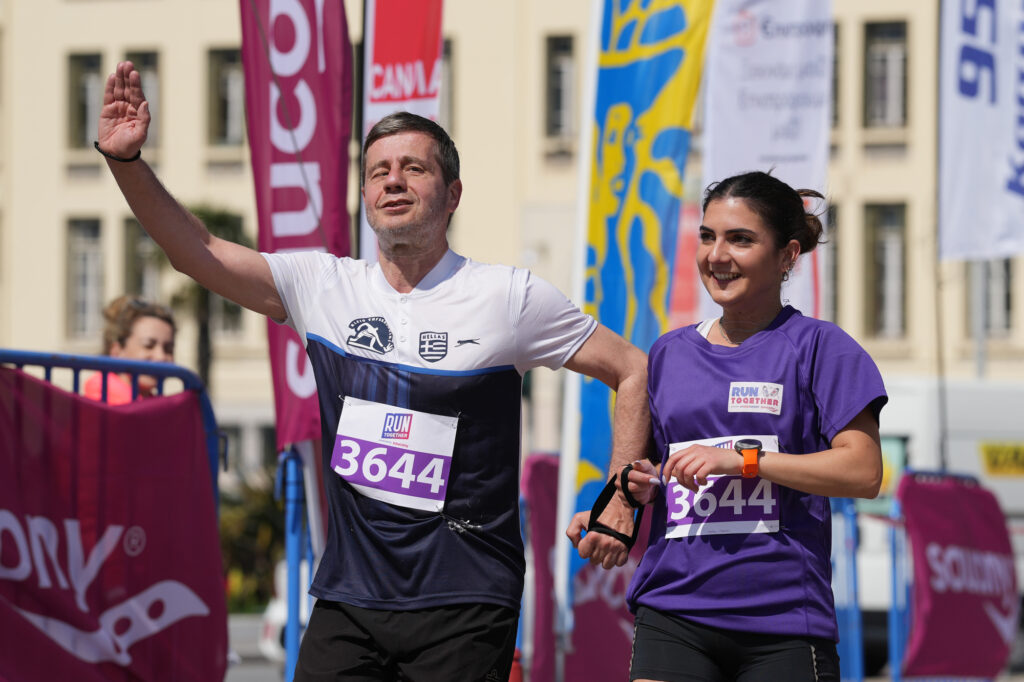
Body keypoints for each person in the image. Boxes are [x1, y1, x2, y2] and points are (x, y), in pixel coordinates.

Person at [97, 61, 648, 680]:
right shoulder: (323, 286)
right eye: (378, 171)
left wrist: (621, 496)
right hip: (349, 599)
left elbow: (632, 368)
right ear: (364, 196)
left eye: (414, 168)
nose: (393, 181)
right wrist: (126, 162)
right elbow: (197, 252)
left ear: (453, 194)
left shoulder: (508, 297)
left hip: (466, 598)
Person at [569, 171, 888, 681]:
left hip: (783, 620)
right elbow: (657, 473)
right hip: (673, 610)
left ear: (787, 256)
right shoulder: (668, 353)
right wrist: (620, 502)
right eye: (708, 236)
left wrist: (744, 461)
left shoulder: (821, 348)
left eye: (740, 239)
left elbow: (864, 472)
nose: (717, 256)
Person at [83, 294, 176, 404]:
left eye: (168, 349)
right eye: (148, 345)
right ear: (116, 351)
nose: (161, 357)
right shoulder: (102, 397)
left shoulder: (154, 403)